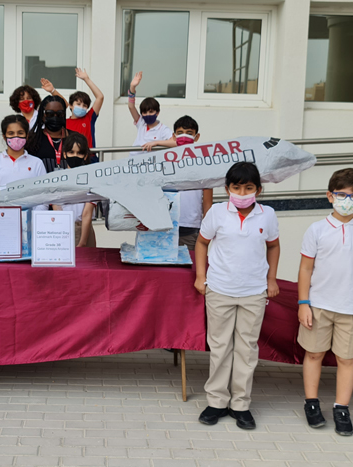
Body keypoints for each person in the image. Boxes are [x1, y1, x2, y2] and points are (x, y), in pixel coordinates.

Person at [194, 162, 280, 431]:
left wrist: (271, 279)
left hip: (254, 292)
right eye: (236, 187)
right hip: (219, 289)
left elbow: (274, 246)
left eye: (249, 188)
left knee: (247, 349)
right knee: (220, 347)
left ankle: (240, 404)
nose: (242, 193)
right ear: (227, 188)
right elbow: (201, 242)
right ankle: (217, 401)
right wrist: (200, 276)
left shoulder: (268, 215)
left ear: (259, 189)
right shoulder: (217, 212)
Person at [296, 168, 353, 437]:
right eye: (341, 194)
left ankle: (342, 407)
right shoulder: (317, 229)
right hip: (318, 305)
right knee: (314, 354)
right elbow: (306, 269)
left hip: (352, 308)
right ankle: (311, 403)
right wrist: (303, 302)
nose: (347, 200)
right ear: (329, 196)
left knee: (346, 359)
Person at [138, 115, 213, 250]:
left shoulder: (204, 163)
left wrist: (206, 228)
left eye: (189, 133)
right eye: (180, 133)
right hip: (165, 223)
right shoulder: (163, 161)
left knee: (190, 267)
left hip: (191, 226)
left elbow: (207, 201)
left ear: (197, 137)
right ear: (173, 135)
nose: (184, 136)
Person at [55, 132, 97, 247]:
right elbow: (57, 208)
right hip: (62, 228)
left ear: (85, 155)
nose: (75, 156)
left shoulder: (91, 179)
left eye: (79, 153)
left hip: (83, 228)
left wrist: (82, 242)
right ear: (64, 154)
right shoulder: (56, 178)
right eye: (71, 152)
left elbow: (87, 213)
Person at [0, 115, 46, 188]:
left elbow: (42, 192)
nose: (16, 137)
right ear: (4, 137)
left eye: (20, 133)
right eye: (11, 133)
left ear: (27, 136)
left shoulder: (37, 163)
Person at [126, 71, 172, 156]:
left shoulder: (163, 129)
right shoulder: (141, 122)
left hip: (149, 165)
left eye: (151, 112)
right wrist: (132, 87)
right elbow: (131, 107)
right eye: (144, 112)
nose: (147, 114)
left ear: (157, 113)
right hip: (133, 162)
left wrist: (156, 143)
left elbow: (175, 142)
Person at [26, 95, 69, 172]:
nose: (55, 117)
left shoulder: (75, 138)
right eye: (50, 114)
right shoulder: (32, 140)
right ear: (42, 115)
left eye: (59, 114)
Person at [65, 68, 104, 148]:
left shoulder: (89, 118)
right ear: (71, 105)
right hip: (72, 156)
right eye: (78, 104)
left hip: (90, 156)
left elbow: (100, 97)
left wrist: (87, 79)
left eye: (84, 105)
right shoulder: (64, 122)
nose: (81, 107)